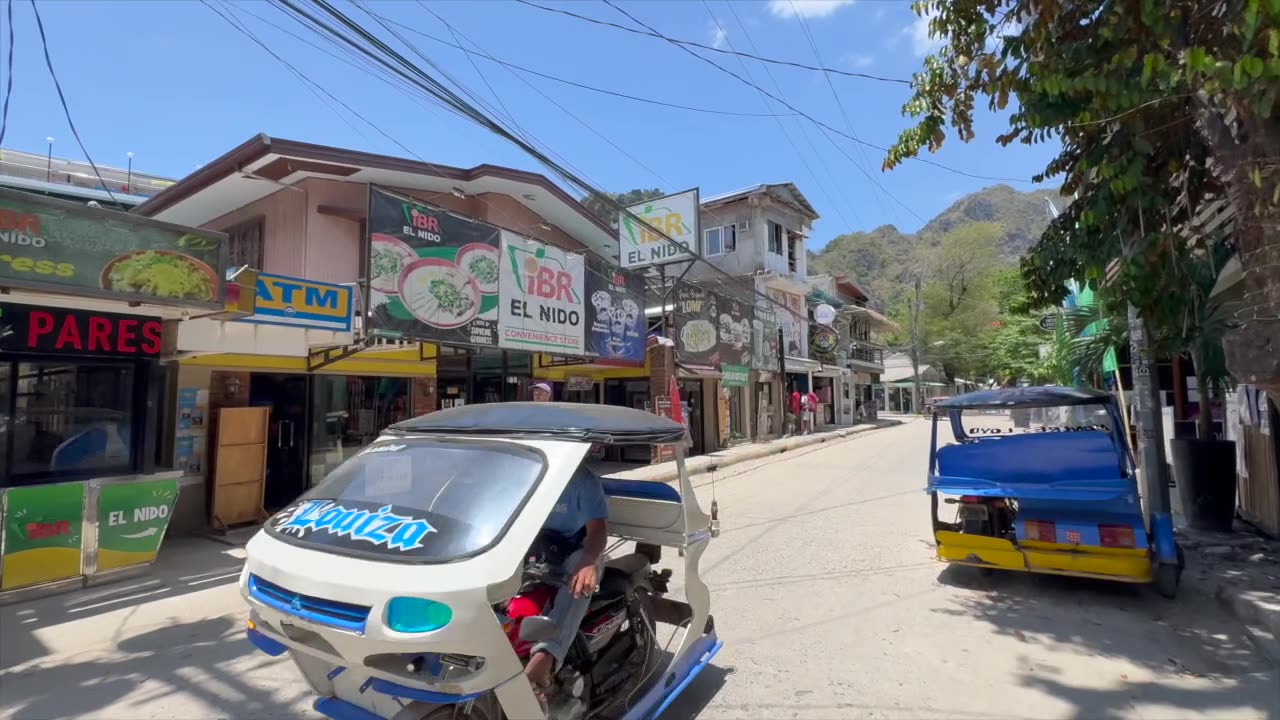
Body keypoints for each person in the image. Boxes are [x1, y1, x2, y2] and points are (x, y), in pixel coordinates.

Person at [524, 463, 609, 698]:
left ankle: (547, 657)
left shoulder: (584, 481)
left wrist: (588, 563)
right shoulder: (532, 474)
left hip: (580, 548)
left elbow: (598, 531)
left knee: (578, 581)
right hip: (543, 548)